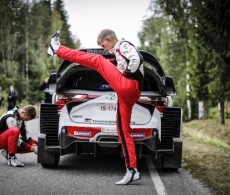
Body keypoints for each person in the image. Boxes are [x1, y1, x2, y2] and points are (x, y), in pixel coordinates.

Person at [47, 29, 144, 185]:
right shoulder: (117, 53)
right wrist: (121, 70)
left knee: (98, 60)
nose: (104, 48)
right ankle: (132, 170)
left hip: (129, 85)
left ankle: (57, 49)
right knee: (123, 130)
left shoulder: (123, 45)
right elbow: (129, 62)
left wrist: (126, 73)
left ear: (108, 39)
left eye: (102, 44)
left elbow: (137, 59)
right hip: (129, 93)